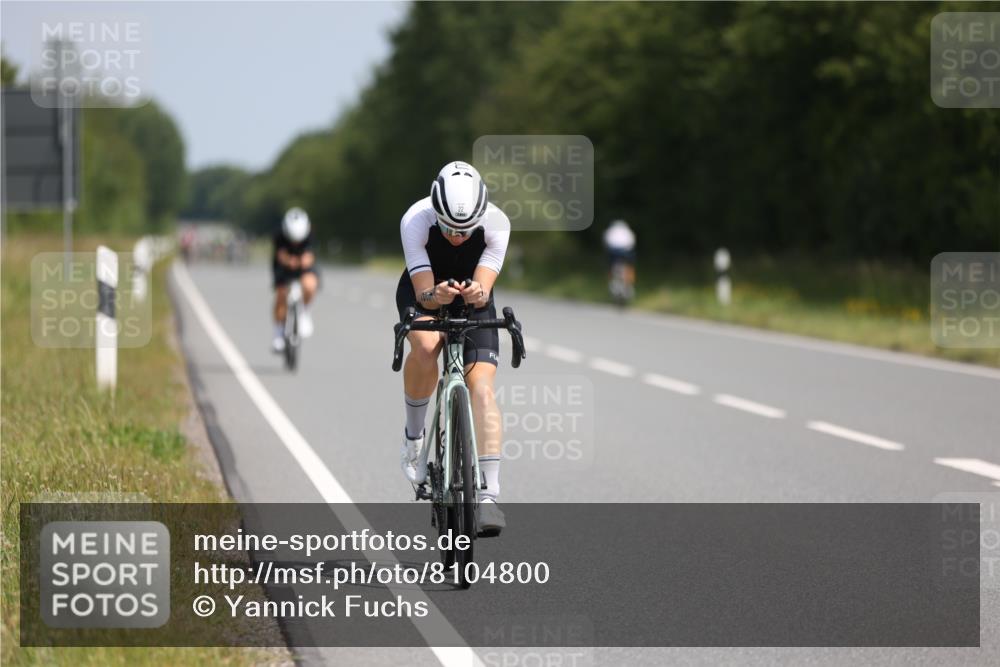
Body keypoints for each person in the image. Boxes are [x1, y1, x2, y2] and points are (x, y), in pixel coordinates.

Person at [396, 161, 511, 536]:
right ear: (436, 212)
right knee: (427, 346)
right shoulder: (415, 220)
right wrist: (437, 295)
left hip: (472, 298)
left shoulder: (497, 223)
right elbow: (423, 295)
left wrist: (478, 291)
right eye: (448, 228)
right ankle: (414, 438)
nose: (457, 237)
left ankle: (488, 496)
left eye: (465, 230)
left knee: (482, 388)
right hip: (426, 291)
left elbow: (484, 286)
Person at [271, 207, 318, 352]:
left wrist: (303, 261)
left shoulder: (310, 234)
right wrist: (288, 261)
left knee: (310, 284)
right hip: (283, 267)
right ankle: (278, 333)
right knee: (281, 294)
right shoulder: (279, 235)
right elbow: (280, 255)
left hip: (302, 267)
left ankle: (305, 312)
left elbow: (310, 256)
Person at [603, 219, 636, 298]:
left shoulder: (610, 231)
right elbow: (632, 243)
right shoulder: (628, 231)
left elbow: (606, 243)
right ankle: (629, 282)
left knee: (610, 266)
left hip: (613, 253)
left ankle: (611, 280)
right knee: (630, 266)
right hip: (626, 253)